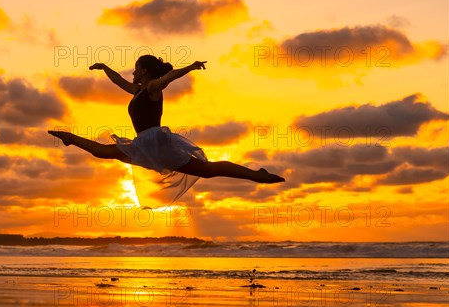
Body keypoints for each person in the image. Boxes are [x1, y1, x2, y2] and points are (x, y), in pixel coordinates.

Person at [49, 55, 284, 206]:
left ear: (146, 72)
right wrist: (103, 67)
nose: (133, 72)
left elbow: (168, 77)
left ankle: (257, 175)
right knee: (205, 171)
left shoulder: (152, 87)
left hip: (154, 142)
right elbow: (118, 81)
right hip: (145, 144)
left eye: (136, 68)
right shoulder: (137, 90)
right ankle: (71, 138)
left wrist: (190, 67)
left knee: (206, 170)